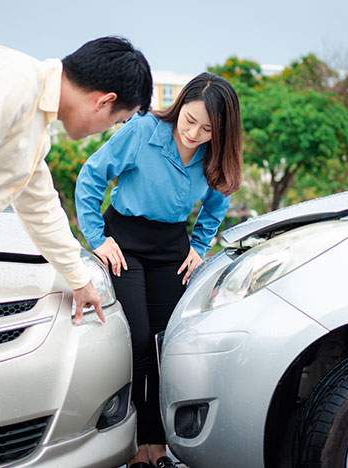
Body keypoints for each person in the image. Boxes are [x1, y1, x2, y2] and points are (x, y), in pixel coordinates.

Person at [0, 36, 152, 468]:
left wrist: (79, 280)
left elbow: (40, 206)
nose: (107, 131)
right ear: (104, 101)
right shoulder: (11, 81)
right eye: (116, 121)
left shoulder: (33, 124)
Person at [75, 72, 242, 468]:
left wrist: (200, 246)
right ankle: (135, 445)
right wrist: (98, 238)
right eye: (189, 121)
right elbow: (92, 176)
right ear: (180, 107)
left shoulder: (213, 154)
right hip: (125, 243)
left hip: (171, 249)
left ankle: (160, 445)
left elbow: (216, 205)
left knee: (166, 344)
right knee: (137, 342)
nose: (194, 134)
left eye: (206, 129)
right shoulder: (144, 130)